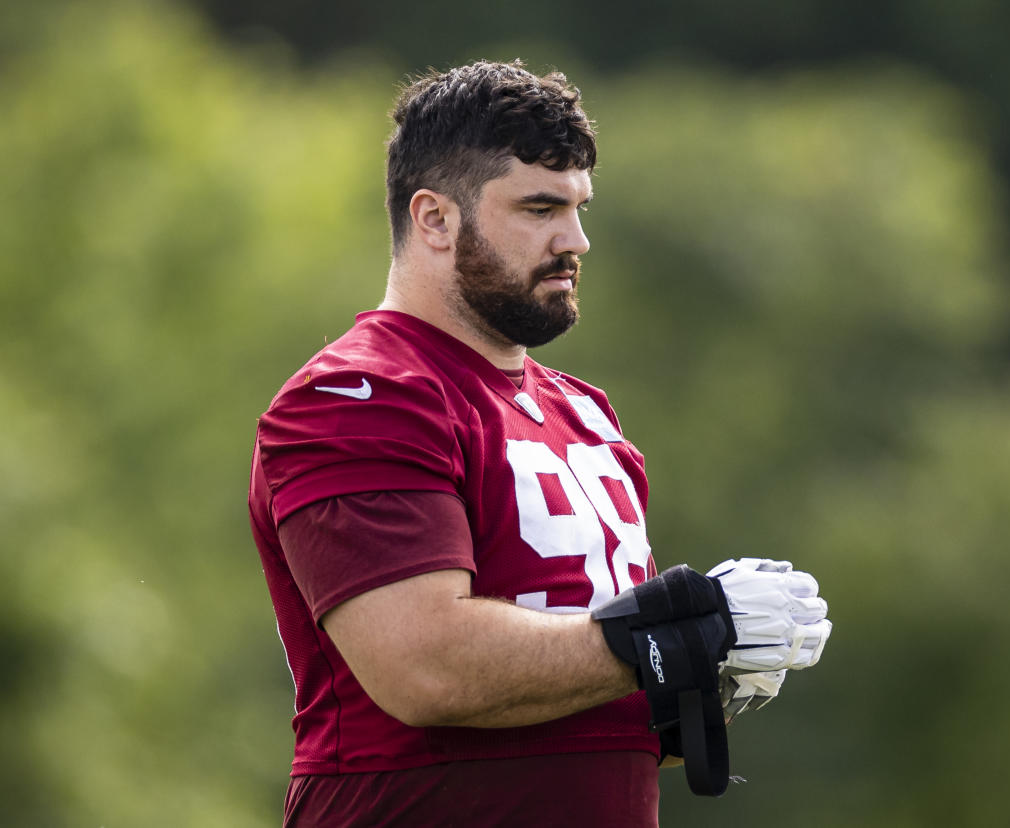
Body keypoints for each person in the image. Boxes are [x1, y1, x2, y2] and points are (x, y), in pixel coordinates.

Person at [248, 60, 829, 827]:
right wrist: (664, 640)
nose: (576, 240)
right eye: (539, 208)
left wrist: (703, 674)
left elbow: (588, 712)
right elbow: (427, 668)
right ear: (435, 220)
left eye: (580, 208)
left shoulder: (586, 413)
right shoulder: (361, 394)